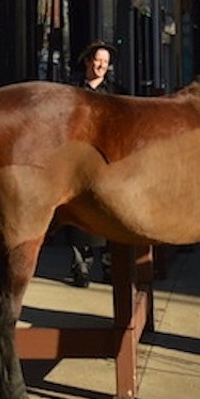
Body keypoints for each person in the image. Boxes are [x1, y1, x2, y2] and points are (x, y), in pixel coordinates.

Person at [68, 41, 116, 286]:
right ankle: (81, 266)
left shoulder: (114, 92)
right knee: (79, 213)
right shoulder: (73, 90)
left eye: (105, 63)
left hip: (104, 159)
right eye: (98, 60)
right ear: (88, 61)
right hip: (78, 157)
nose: (101, 66)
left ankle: (108, 264)